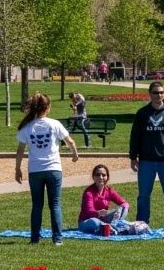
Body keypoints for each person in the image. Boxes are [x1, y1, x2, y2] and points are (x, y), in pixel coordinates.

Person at [15, 92, 79, 245]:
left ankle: (35, 238)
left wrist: (17, 169)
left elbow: (20, 150)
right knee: (55, 204)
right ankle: (57, 239)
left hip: (35, 170)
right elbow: (70, 141)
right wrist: (75, 154)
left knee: (37, 205)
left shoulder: (27, 127)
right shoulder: (54, 124)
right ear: (48, 107)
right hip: (54, 169)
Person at [129, 80, 164, 229]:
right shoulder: (142, 114)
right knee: (143, 196)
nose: (159, 95)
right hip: (146, 161)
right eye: (155, 93)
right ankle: (142, 223)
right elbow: (135, 137)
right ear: (150, 94)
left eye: (161, 92)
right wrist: (133, 157)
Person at [78, 164, 130, 234]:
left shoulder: (109, 190)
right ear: (93, 177)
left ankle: (112, 227)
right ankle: (113, 228)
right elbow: (90, 212)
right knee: (95, 222)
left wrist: (118, 211)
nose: (101, 177)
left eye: (103, 175)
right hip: (87, 221)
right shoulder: (88, 192)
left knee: (124, 208)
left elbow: (124, 203)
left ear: (107, 177)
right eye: (97, 175)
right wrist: (99, 213)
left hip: (105, 219)